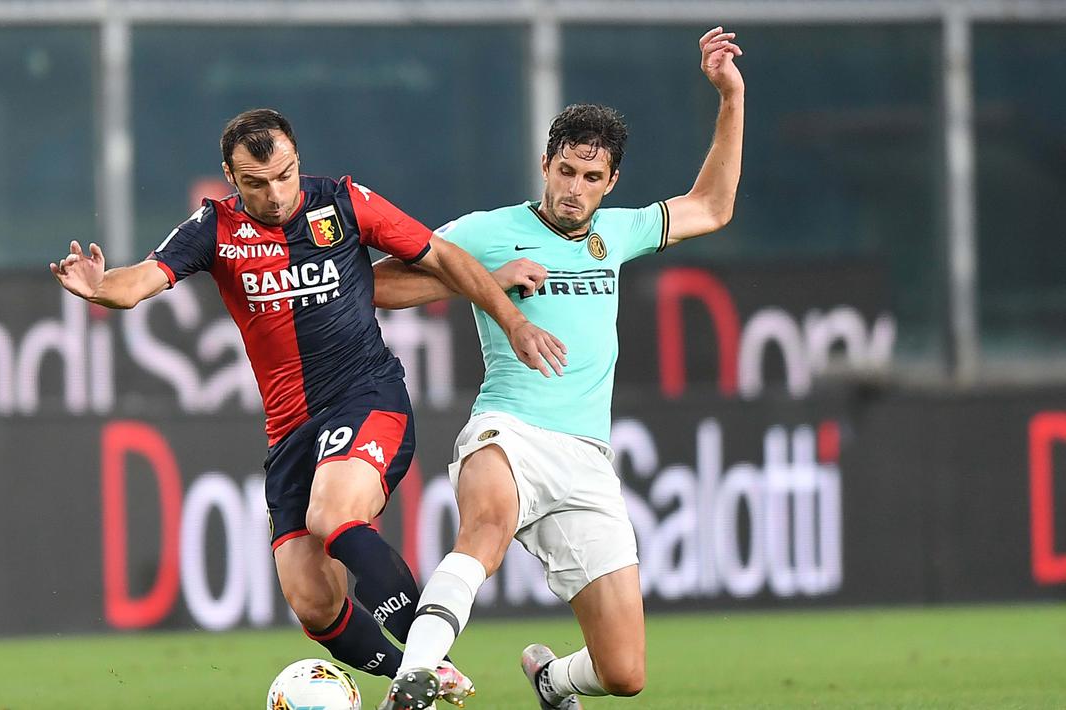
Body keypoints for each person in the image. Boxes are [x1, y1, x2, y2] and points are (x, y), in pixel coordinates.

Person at [49, 108, 566, 705]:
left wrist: (513, 319)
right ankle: (414, 672)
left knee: (334, 514)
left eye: (285, 175)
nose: (275, 195)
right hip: (290, 431)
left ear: (298, 159)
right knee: (312, 602)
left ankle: (427, 663)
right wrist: (99, 285)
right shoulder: (213, 229)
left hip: (367, 397)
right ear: (230, 178)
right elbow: (137, 281)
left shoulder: (345, 202)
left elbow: (440, 256)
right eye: (256, 184)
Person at [371, 27, 745, 709]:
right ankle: (414, 677)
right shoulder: (483, 231)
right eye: (565, 171)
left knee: (624, 672)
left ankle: (549, 681)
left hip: (585, 458)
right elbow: (376, 286)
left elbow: (712, 207)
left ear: (611, 182)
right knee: (483, 528)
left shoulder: (619, 233)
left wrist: (729, 98)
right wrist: (483, 280)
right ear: (544, 164)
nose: (574, 189)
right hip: (507, 430)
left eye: (591, 178)